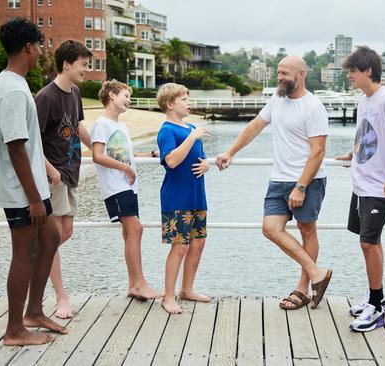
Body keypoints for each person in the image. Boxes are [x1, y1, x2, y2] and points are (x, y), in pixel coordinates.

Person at [216, 56, 332, 310]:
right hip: (278, 178)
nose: (280, 77)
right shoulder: (276, 100)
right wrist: (230, 152)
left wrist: (301, 186)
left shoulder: (313, 107)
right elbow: (255, 127)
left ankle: (303, 289)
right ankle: (316, 273)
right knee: (270, 228)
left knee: (306, 229)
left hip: (307, 180)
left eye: (284, 73)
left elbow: (318, 152)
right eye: (278, 73)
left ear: (301, 74)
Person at [0, 17, 67, 345]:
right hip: (20, 190)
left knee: (50, 237)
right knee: (23, 253)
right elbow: (16, 147)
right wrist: (34, 198)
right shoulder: (11, 89)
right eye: (39, 47)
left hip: (31, 184)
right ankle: (14, 330)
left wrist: (43, 176)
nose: (40, 53)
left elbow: (26, 147)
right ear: (28, 47)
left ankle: (34, 311)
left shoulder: (15, 83)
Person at [335, 46, 385, 332]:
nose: (349, 76)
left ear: (368, 71)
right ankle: (374, 297)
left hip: (380, 186)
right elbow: (366, 136)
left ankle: (377, 306)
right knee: (371, 241)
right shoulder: (365, 101)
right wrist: (353, 154)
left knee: (367, 243)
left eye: (352, 71)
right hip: (361, 183)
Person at [34, 40, 92, 319]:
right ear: (67, 64)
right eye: (83, 64)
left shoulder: (75, 93)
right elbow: (30, 140)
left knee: (66, 232)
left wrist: (99, 149)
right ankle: (60, 296)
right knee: (55, 235)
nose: (87, 69)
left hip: (71, 173)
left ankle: (37, 256)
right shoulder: (46, 97)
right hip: (54, 176)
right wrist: (50, 170)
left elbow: (78, 125)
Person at [90, 80, 162, 300]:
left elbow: (123, 154)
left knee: (130, 232)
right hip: (116, 185)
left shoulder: (120, 125)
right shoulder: (102, 124)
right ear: (112, 95)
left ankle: (133, 285)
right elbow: (98, 156)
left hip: (128, 185)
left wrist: (149, 156)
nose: (129, 101)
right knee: (136, 229)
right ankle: (141, 284)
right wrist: (127, 169)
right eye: (126, 96)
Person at [156, 83, 211, 314]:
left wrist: (208, 164)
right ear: (170, 104)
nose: (189, 103)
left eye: (188, 98)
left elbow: (201, 158)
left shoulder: (189, 127)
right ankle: (168, 297)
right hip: (176, 197)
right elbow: (171, 160)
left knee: (198, 244)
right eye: (183, 99)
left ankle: (186, 289)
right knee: (180, 247)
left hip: (197, 195)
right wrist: (192, 135)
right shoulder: (168, 130)